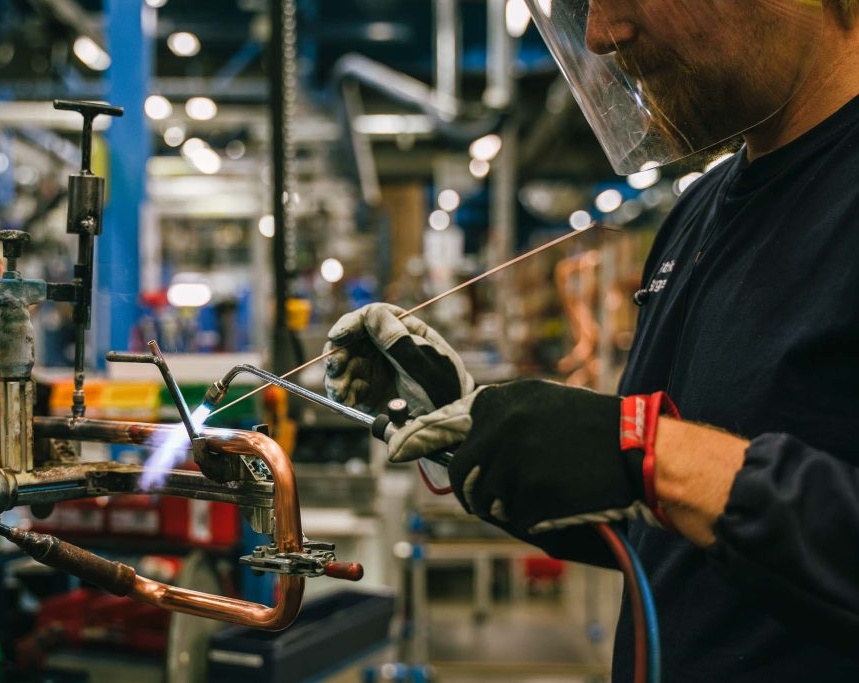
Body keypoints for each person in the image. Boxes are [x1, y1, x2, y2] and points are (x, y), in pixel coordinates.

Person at [324, 1, 859, 680]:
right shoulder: (698, 212)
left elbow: (677, 475)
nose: (602, 35)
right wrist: (476, 426)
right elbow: (671, 531)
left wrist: (652, 455)